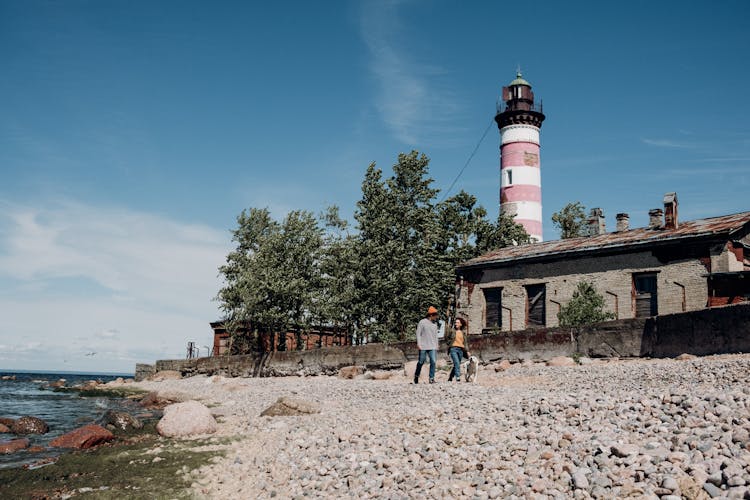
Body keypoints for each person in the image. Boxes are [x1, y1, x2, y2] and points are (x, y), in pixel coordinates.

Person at [414, 306, 439, 384]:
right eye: (435, 315)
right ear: (431, 315)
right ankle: (416, 376)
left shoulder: (435, 325)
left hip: (432, 346)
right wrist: (418, 343)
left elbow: (435, 336)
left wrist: (437, 344)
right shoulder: (422, 322)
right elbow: (418, 333)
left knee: (433, 361)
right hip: (423, 346)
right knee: (421, 362)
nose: (436, 317)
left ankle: (431, 378)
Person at [448, 317, 470, 382]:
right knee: (457, 363)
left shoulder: (463, 333)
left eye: (457, 323)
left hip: (461, 350)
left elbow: (465, 343)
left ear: (461, 324)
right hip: (453, 349)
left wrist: (467, 351)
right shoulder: (452, 331)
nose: (456, 324)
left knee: (457, 364)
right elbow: (447, 338)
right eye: (455, 322)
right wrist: (449, 344)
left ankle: (451, 377)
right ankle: (458, 377)